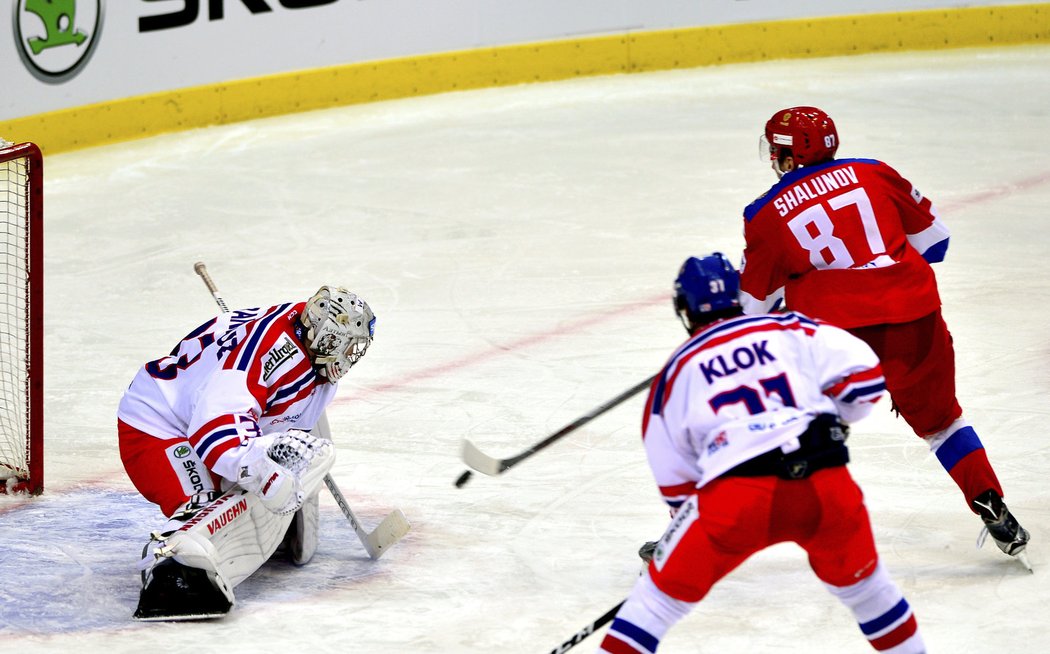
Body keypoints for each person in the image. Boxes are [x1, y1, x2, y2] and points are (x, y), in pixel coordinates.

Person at [737, 106, 1029, 567]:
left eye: (776, 151)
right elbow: (936, 243)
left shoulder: (765, 213)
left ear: (789, 158)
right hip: (916, 318)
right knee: (942, 424)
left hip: (837, 338)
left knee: (783, 425)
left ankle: (706, 531)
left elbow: (753, 308)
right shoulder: (875, 173)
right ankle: (989, 498)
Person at [601, 254, 926, 654]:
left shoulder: (675, 373)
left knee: (654, 603)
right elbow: (865, 381)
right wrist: (832, 419)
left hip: (737, 499)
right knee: (869, 592)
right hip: (825, 483)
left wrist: (682, 551)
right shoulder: (792, 327)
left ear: (683, 309)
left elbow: (677, 484)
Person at [117, 286, 375, 620]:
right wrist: (267, 478)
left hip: (195, 411)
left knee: (292, 457)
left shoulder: (310, 349)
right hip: (158, 425)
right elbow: (214, 430)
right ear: (327, 338)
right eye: (349, 345)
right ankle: (173, 576)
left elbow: (290, 423)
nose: (351, 354)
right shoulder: (270, 357)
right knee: (208, 511)